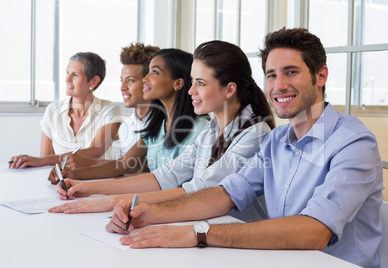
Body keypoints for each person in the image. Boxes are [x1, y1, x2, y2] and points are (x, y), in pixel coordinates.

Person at [105, 28, 384, 268]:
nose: (279, 85)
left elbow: (314, 231)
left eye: (291, 72)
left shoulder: (354, 142)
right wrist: (149, 214)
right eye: (272, 75)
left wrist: (199, 233)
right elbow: (226, 194)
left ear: (320, 75)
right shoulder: (277, 141)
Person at [49, 40, 275, 217]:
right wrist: (89, 188)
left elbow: (201, 189)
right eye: (193, 81)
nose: (190, 90)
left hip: (236, 234)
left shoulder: (255, 134)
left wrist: (115, 199)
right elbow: (167, 175)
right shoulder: (212, 129)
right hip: (208, 223)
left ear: (229, 89)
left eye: (201, 83)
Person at [48, 48, 209, 183]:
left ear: (178, 83)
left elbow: (181, 185)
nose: (145, 79)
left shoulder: (201, 128)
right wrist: (73, 175)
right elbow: (124, 164)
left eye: (154, 72)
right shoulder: (157, 126)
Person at [9, 52, 122, 169]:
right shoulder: (53, 110)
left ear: (93, 81)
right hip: (59, 182)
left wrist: (40, 160)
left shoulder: (110, 110)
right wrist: (37, 161)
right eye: (67, 73)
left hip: (96, 182)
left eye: (75, 75)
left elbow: (95, 152)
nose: (67, 79)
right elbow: (45, 161)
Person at [61, 43, 160, 170]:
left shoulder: (163, 123)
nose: (122, 87)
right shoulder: (126, 127)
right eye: (121, 80)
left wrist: (84, 164)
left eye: (130, 80)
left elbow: (144, 169)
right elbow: (127, 168)